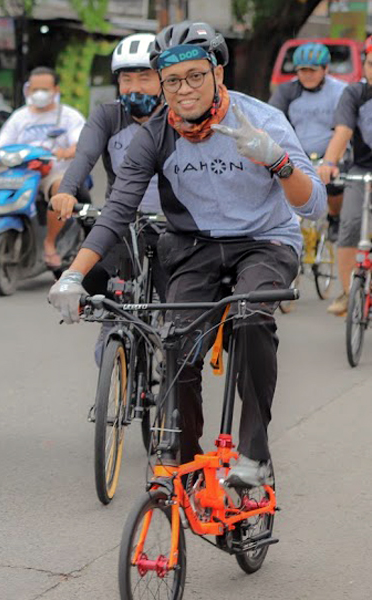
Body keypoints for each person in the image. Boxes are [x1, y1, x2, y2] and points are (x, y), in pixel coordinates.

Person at [49, 21, 326, 487]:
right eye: (172, 80)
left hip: (265, 239)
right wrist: (73, 276)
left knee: (252, 315)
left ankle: (254, 454)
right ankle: (187, 459)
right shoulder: (156, 134)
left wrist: (276, 160)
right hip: (195, 243)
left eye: (195, 76)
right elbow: (119, 209)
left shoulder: (261, 119)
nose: (184, 89)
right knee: (176, 340)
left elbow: (313, 204)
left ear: (218, 72)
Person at [49, 33, 166, 364]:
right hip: (122, 221)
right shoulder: (107, 115)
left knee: (177, 302)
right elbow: (84, 155)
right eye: (126, 78)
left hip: (172, 223)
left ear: (162, 78)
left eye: (144, 77)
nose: (135, 87)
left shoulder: (176, 115)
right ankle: (112, 325)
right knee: (99, 282)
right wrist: (66, 191)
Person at [0, 67, 86, 269]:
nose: (39, 94)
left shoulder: (69, 117)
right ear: (28, 90)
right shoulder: (19, 117)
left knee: (60, 188)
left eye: (44, 89)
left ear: (56, 89)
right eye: (35, 89)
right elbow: (2, 146)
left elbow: (80, 143)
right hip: (21, 172)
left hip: (54, 172)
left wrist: (66, 152)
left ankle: (50, 243)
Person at [317, 36, 372, 316]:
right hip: (361, 170)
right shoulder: (354, 94)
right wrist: (329, 162)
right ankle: (350, 293)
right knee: (350, 225)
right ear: (364, 65)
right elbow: (343, 131)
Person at [269, 42, 346, 241]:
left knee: (335, 185)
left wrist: (331, 161)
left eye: (313, 70)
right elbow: (273, 120)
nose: (307, 75)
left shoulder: (339, 91)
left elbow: (343, 128)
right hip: (298, 152)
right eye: (303, 70)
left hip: (329, 153)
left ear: (325, 69)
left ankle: (334, 217)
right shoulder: (287, 90)